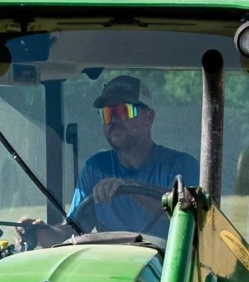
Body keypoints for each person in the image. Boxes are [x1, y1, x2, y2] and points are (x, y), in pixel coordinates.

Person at [64, 76, 200, 234]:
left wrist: (131, 188)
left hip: (166, 259)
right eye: (107, 113)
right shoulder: (94, 169)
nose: (113, 120)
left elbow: (191, 215)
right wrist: (37, 230)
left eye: (122, 111)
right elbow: (70, 233)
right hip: (112, 259)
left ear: (149, 117)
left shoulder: (181, 166)